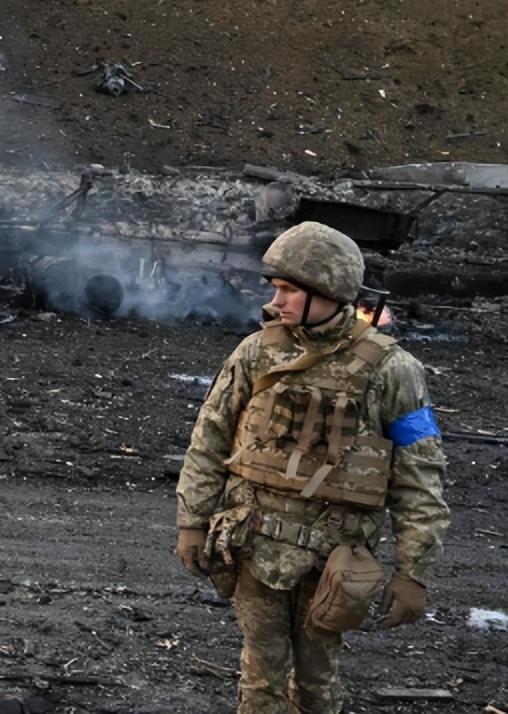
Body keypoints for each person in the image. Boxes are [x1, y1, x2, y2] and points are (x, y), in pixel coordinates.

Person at [174, 221, 450, 713]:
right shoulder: (257, 353)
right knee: (261, 678)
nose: (276, 301)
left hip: (334, 560)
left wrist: (414, 573)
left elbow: (420, 476)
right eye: (276, 288)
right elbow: (210, 439)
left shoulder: (394, 371)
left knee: (318, 682)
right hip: (254, 544)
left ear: (327, 290)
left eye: (288, 290)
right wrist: (191, 521)